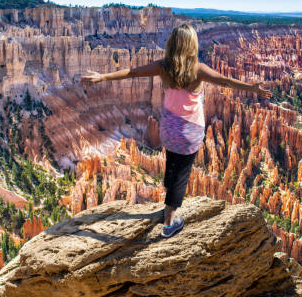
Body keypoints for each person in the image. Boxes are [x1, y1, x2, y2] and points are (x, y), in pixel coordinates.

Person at [81, 24, 271, 237]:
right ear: (192, 45)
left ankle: (167, 203)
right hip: (190, 131)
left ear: (172, 44)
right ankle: (169, 223)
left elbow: (132, 73)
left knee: (172, 166)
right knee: (181, 175)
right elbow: (225, 80)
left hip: (168, 129)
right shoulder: (197, 70)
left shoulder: (164, 67)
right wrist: (252, 88)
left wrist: (102, 77)